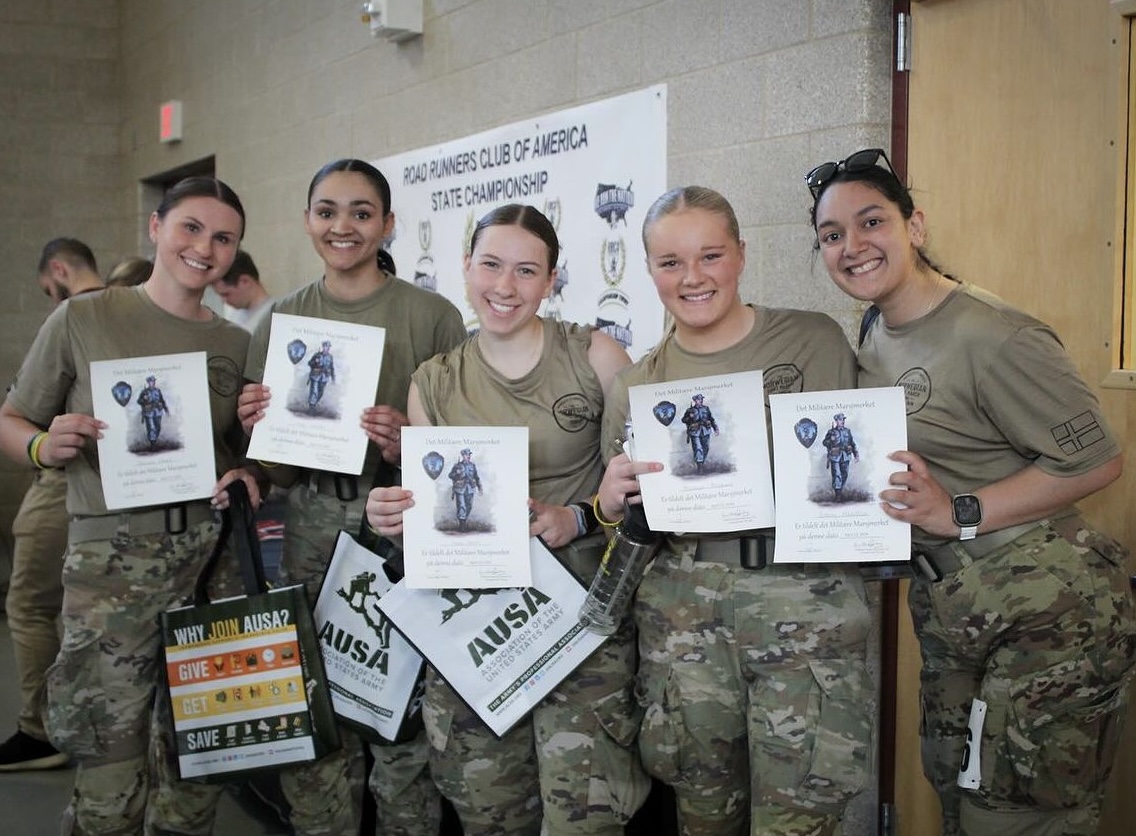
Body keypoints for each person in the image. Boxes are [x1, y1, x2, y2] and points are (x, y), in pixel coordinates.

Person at [808, 147, 1136, 836]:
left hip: (1046, 609)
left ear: (915, 225)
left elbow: (1099, 461)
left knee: (1023, 815)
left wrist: (957, 510)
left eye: (871, 221)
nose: (852, 246)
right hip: (952, 606)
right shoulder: (877, 328)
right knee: (959, 796)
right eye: (832, 235)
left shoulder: (993, 333)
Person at [594, 186, 876, 836]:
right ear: (649, 269)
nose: (692, 277)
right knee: (703, 817)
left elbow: (866, 444)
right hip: (685, 626)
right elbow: (625, 519)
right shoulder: (638, 385)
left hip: (802, 612)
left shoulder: (813, 341)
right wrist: (608, 502)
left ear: (741, 254)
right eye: (670, 262)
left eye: (710, 255)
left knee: (800, 818)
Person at [365, 203, 650, 836]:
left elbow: (640, 497)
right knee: (490, 811)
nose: (505, 286)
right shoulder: (434, 382)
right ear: (466, 268)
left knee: (587, 817)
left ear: (552, 280)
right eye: (491, 265)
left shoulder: (595, 355)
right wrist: (395, 518)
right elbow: (429, 517)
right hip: (477, 629)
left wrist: (577, 516)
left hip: (582, 622)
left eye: (527, 271)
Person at [0, 177, 259, 835]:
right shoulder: (86, 317)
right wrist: (42, 445)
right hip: (110, 565)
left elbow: (234, 455)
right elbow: (13, 419)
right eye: (190, 228)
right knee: (109, 760)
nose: (204, 248)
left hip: (209, 564)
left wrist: (250, 463)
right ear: (155, 226)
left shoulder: (234, 344)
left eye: (223, 238)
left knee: (200, 759)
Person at [238, 158, 467, 836]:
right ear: (308, 220)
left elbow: (461, 453)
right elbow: (274, 474)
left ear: (388, 224)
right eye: (328, 211)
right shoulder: (281, 318)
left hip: (398, 523)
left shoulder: (431, 316)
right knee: (320, 706)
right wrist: (258, 429)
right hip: (310, 520)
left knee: (398, 712)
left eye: (362, 212)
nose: (344, 226)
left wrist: (408, 446)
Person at [0, 238, 105, 773]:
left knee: (29, 605)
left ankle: (40, 728)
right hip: (99, 496)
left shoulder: (73, 315)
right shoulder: (123, 308)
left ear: (59, 270)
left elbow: (16, 415)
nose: (49, 297)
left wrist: (40, 447)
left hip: (64, 484)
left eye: (47, 287)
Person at [214, 249, 272, 332]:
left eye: (226, 294)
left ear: (244, 281)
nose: (223, 301)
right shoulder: (232, 312)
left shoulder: (273, 318)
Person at [821, 412, 858, 501]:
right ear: (836, 421)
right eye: (840, 420)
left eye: (843, 420)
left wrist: (856, 454)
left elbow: (852, 443)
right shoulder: (831, 432)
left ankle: (839, 490)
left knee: (844, 474)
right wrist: (830, 440)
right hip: (835, 456)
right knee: (837, 474)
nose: (842, 421)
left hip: (846, 455)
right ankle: (838, 494)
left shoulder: (847, 431)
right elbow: (824, 442)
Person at [679, 392, 718, 472]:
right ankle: (700, 467)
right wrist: (689, 417)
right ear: (694, 401)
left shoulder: (706, 409)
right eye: (697, 400)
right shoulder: (690, 410)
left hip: (706, 431)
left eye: (700, 399)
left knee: (706, 448)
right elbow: (683, 420)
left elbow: (711, 419)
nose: (699, 401)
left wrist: (715, 428)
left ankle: (701, 463)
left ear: (701, 400)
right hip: (695, 432)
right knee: (698, 448)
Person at [447, 447, 481, 531]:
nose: (468, 456)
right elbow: (450, 475)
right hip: (460, 488)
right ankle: (462, 525)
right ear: (463, 455)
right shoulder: (457, 465)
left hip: (470, 488)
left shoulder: (472, 466)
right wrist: (456, 474)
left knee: (469, 506)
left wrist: (479, 487)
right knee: (461, 505)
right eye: (466, 454)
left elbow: (476, 477)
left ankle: (464, 520)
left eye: (469, 454)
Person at [137, 375, 170, 448]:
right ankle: (152, 444)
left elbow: (162, 400)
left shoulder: (158, 391)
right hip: (149, 413)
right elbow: (139, 401)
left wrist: (166, 409)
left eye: (153, 381)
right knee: (151, 428)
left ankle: (154, 440)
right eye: (150, 381)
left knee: (158, 428)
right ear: (148, 382)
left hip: (158, 412)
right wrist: (144, 399)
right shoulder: (144, 392)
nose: (152, 383)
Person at [307, 340, 336, 412]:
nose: (328, 348)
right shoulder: (317, 355)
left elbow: (331, 367)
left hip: (324, 377)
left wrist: (333, 378)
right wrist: (315, 362)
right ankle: (312, 406)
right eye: (326, 346)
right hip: (315, 376)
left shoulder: (330, 357)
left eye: (329, 347)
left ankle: (313, 404)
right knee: (314, 391)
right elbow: (310, 363)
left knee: (321, 392)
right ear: (323, 347)